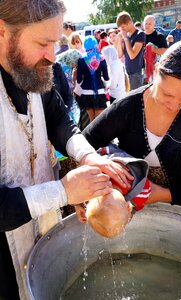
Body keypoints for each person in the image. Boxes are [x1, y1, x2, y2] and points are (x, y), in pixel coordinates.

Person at [0, 2, 132, 299]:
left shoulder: (33, 68)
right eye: (42, 43)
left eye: (56, 42)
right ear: (2, 30)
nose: (52, 56)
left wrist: (90, 157)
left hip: (40, 222)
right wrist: (62, 192)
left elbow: (61, 120)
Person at [83, 40, 181, 210]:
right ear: (156, 71)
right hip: (129, 207)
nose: (174, 105)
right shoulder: (128, 106)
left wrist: (165, 194)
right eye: (166, 94)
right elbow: (86, 142)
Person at [75, 145, 150, 238]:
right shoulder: (140, 193)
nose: (108, 185)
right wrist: (77, 204)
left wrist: (77, 203)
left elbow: (79, 181)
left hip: (116, 159)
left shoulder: (95, 177)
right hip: (125, 160)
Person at [77, 35, 109, 122]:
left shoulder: (81, 59)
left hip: (86, 93)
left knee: (91, 122)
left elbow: (79, 80)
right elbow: (106, 78)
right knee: (99, 122)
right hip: (99, 91)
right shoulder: (101, 58)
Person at [116, 11, 146, 90]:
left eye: (123, 27)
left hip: (136, 73)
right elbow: (119, 55)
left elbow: (132, 55)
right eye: (120, 28)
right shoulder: (127, 35)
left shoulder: (140, 34)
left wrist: (125, 38)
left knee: (135, 100)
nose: (122, 30)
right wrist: (120, 40)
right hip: (127, 72)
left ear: (129, 23)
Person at [143, 15, 168, 83]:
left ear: (154, 24)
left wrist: (154, 49)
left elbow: (165, 51)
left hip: (156, 70)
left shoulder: (159, 36)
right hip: (142, 71)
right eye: (146, 23)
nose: (147, 25)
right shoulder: (140, 36)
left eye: (150, 24)